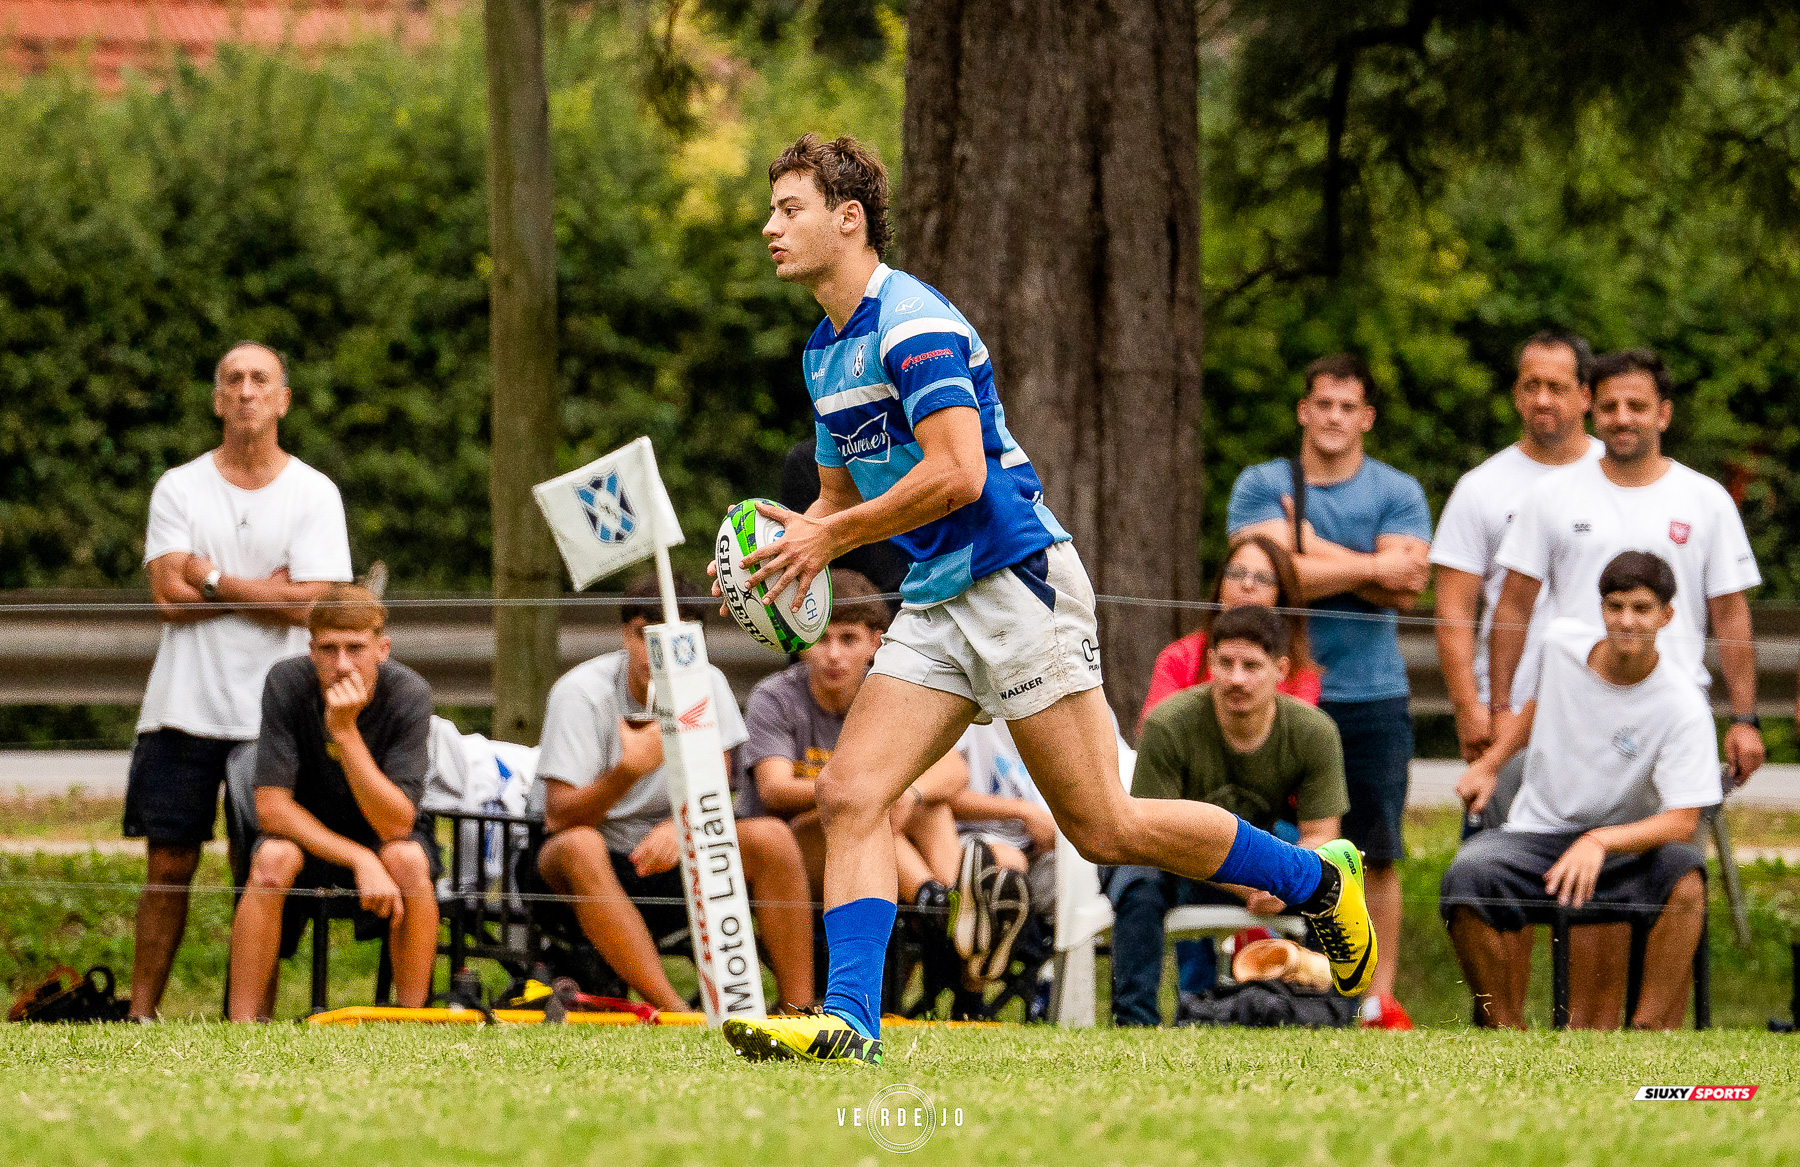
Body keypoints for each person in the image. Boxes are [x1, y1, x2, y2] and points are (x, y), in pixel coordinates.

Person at [716, 133, 1374, 1064]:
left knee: (1106, 826)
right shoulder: (825, 351)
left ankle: (1315, 878)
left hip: (1017, 582)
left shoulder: (914, 325)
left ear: (848, 219)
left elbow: (956, 473)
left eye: (790, 208)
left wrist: (830, 536)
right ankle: (850, 1021)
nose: (771, 226)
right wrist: (778, 552)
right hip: (941, 598)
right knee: (851, 792)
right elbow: (836, 504)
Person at [128, 341, 352, 1020]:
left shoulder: (313, 492)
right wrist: (271, 590)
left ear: (283, 398)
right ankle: (140, 1014)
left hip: (274, 718)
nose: (246, 390)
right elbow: (168, 594)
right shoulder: (179, 486)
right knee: (168, 866)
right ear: (217, 398)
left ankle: (245, 1018)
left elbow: (319, 604)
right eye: (233, 379)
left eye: (261, 379)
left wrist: (215, 577)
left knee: (260, 868)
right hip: (181, 708)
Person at [1227, 353, 1432, 1029]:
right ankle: (1285, 982)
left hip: (1373, 694)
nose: (1335, 417)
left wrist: (1309, 547)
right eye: (1324, 404)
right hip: (1278, 692)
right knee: (1280, 837)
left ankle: (1374, 999)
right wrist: (1374, 566)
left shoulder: (1398, 490)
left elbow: (1411, 584)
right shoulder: (1261, 484)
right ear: (1303, 411)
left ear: (1366, 417)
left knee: (1376, 848)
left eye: (1349, 406)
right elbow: (1268, 575)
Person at [1443, 552, 1719, 1029]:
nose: (1626, 621)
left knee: (1687, 877)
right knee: (1465, 877)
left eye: (1641, 609)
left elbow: (1683, 820)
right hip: (1538, 835)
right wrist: (1490, 764)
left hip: (1624, 852)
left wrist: (1599, 841)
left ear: (1666, 616)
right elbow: (1535, 705)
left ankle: (1647, 1031)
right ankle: (1503, 1027)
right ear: (1601, 609)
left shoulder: (1683, 705)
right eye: (1614, 607)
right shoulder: (1560, 645)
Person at [521, 575, 814, 1013]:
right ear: (626, 635)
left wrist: (683, 828)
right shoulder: (580, 692)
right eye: (644, 636)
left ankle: (800, 1011)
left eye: (676, 637)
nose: (656, 653)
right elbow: (559, 818)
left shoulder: (708, 682)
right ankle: (674, 1012)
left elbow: (719, 784)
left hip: (678, 852)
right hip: (577, 863)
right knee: (579, 846)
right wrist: (627, 771)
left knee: (771, 838)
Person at [1487, 348, 1765, 789]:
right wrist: (1500, 709)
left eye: (1637, 406)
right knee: (1560, 842)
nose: (1623, 418)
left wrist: (1745, 718)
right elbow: (1513, 606)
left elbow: (1730, 614)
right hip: (1571, 707)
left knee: (1672, 849)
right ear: (1591, 409)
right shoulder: (1550, 495)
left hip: (1672, 707)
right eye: (1610, 406)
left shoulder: (1706, 500)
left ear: (1664, 414)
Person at [1107, 606, 1349, 1026]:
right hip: (1176, 863)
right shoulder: (1168, 724)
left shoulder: (1314, 732)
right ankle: (1135, 1022)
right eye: (1225, 664)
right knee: (1137, 883)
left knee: (1334, 879)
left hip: (1266, 866)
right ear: (1209, 665)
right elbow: (1150, 837)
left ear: (1281, 669)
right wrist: (1256, 883)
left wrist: (1284, 880)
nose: (1237, 679)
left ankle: (1326, 1011)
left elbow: (1321, 835)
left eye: (1252, 666)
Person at [227, 584, 438, 1019]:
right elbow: (271, 807)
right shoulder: (286, 683)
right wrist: (360, 859)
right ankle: (242, 1026)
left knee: (410, 859)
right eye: (328, 649)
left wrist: (345, 733)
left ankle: (414, 1022)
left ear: (382, 649)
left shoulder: (408, 694)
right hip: (307, 835)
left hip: (383, 834)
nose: (342, 665)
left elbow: (397, 824)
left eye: (355, 649)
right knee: (272, 858)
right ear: (311, 649)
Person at [1139, 533, 1321, 734]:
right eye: (1236, 573)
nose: (1247, 585)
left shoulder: (1299, 673)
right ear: (1220, 587)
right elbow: (1155, 736)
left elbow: (1299, 745)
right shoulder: (1178, 658)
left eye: (1263, 578)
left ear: (1281, 598)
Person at [948, 720, 1057, 986]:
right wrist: (1021, 810)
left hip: (1043, 846)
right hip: (970, 836)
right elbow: (945, 793)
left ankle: (1050, 985)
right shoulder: (966, 714)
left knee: (1081, 878)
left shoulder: (1053, 710)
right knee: (1006, 870)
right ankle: (974, 989)